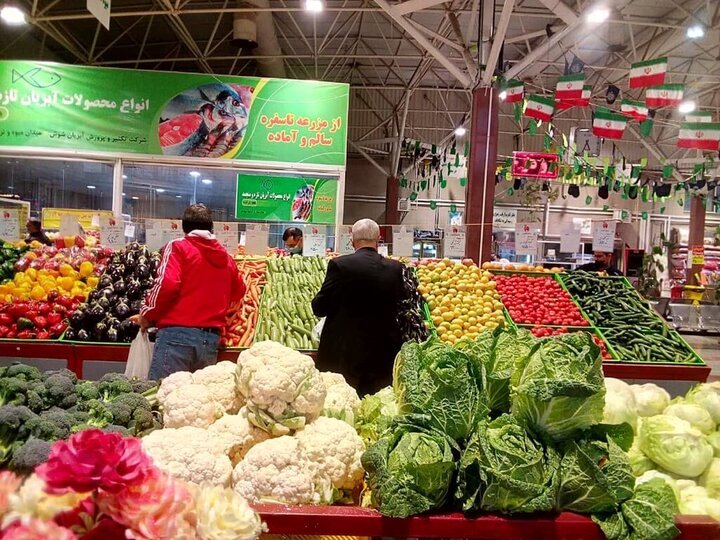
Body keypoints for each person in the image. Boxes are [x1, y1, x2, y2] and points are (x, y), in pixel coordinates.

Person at [131, 204, 245, 379]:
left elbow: (167, 284)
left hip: (176, 336)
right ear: (211, 228)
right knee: (197, 394)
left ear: (184, 227)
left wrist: (147, 314)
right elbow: (239, 291)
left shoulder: (177, 247)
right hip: (209, 341)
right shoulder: (226, 257)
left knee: (165, 393)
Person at [311, 218, 405, 396]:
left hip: (344, 355)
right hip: (381, 356)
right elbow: (401, 305)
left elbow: (320, 307)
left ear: (352, 241)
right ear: (379, 239)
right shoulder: (395, 268)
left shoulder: (340, 265)